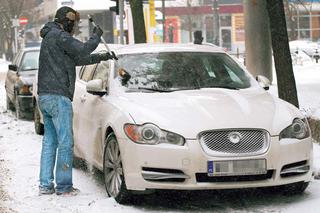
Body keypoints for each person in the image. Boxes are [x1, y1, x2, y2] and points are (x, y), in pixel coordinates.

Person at [37, 6, 115, 196]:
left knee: (50, 142)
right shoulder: (60, 36)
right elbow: (82, 48)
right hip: (58, 97)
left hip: (45, 96)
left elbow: (76, 58)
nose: (75, 27)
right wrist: (96, 36)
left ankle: (45, 185)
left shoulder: (50, 38)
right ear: (67, 21)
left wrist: (103, 56)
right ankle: (64, 187)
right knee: (66, 142)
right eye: (74, 23)